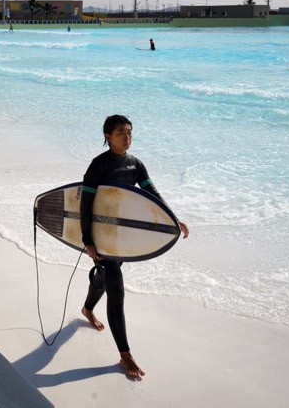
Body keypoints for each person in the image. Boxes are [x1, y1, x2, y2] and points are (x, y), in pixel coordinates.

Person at [79, 114, 189, 380]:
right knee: (116, 290)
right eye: (120, 133)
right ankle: (125, 354)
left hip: (123, 238)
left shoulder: (135, 165)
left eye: (129, 132)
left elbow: (152, 194)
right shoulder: (98, 165)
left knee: (105, 280)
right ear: (107, 136)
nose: (126, 137)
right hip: (102, 235)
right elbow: (85, 202)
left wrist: (172, 218)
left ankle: (87, 309)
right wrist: (87, 240)